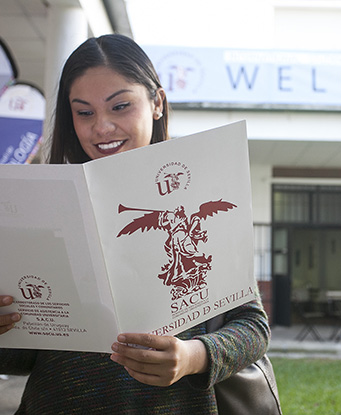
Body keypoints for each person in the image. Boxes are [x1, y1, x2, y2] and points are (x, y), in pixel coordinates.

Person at [0, 34, 270, 414]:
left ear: (157, 103)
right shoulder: (42, 205)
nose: (102, 127)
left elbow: (253, 327)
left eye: (120, 106)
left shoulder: (198, 187)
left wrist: (193, 356)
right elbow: (25, 360)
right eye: (84, 112)